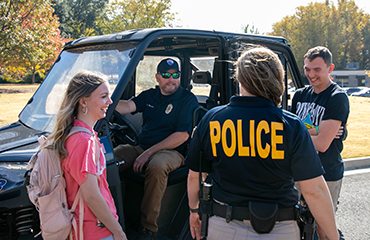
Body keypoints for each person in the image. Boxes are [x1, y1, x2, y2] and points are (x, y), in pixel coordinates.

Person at [185, 46, 340, 240]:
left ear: (240, 79)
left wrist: (194, 211)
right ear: (277, 78)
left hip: (224, 225)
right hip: (280, 228)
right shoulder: (291, 125)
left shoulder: (211, 119)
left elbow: (195, 177)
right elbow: (314, 190)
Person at [114, 58, 199, 239]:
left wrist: (149, 153)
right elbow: (128, 106)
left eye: (175, 75)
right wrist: (105, 103)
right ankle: (108, 215)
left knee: (157, 166)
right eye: (166, 75)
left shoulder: (186, 99)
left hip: (173, 152)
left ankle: (148, 229)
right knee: (110, 159)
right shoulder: (150, 96)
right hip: (142, 147)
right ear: (158, 78)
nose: (171, 79)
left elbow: (183, 135)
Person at [48, 71, 126, 240]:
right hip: (95, 230)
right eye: (104, 96)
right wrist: (118, 231)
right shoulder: (83, 141)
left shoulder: (76, 133)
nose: (110, 102)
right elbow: (91, 194)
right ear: (83, 102)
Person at [291, 46, 349, 239]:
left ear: (330, 68)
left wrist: (303, 133)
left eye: (317, 69)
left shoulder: (337, 97)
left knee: (323, 228)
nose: (310, 74)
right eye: (307, 69)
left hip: (327, 173)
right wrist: (318, 130)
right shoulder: (300, 95)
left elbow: (322, 144)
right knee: (296, 224)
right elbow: (293, 133)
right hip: (298, 172)